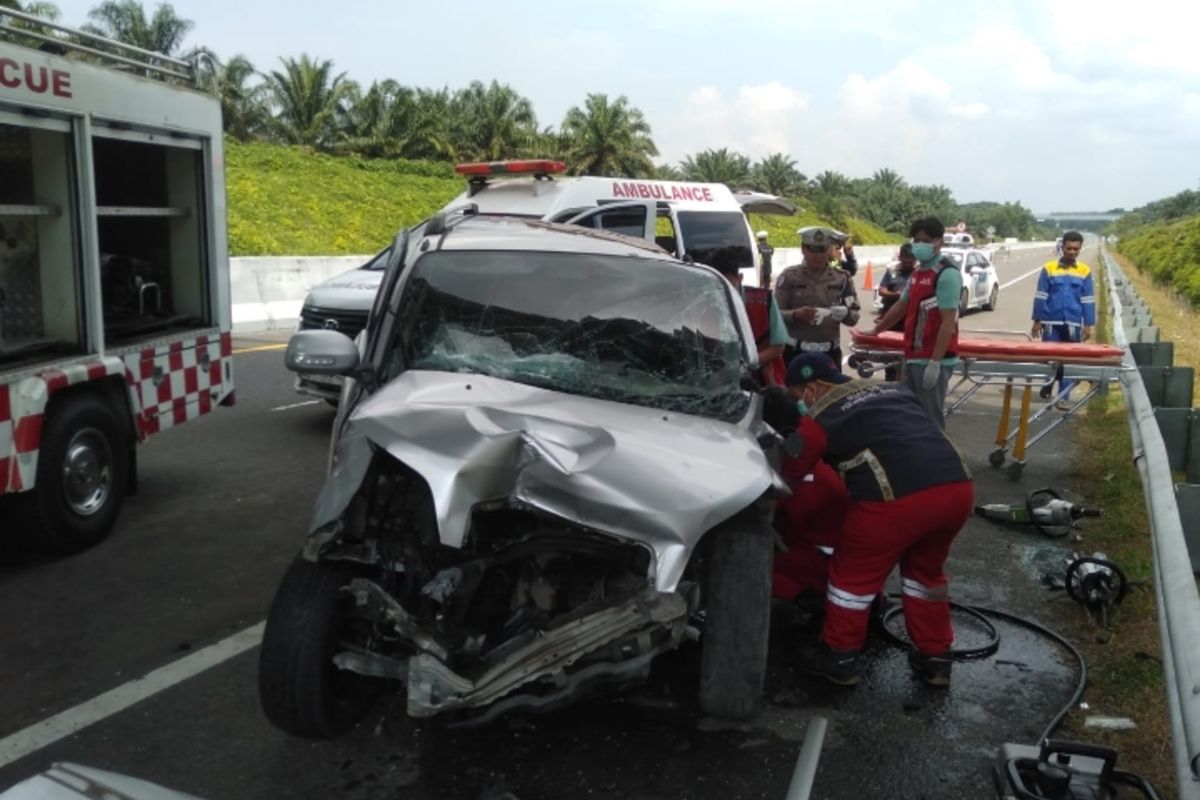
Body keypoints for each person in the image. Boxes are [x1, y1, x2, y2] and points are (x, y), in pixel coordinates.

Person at [784, 352, 974, 687]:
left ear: (811, 389)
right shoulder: (894, 391)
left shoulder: (821, 417)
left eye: (798, 396)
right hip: (956, 487)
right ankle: (936, 658)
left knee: (852, 578)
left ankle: (839, 657)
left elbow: (793, 470)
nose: (800, 403)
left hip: (896, 500)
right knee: (925, 575)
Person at [867, 217, 961, 427]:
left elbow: (948, 323)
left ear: (939, 242)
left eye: (925, 240)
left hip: (932, 358)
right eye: (916, 240)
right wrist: (876, 330)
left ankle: (938, 459)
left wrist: (935, 363)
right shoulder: (918, 273)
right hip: (913, 355)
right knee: (910, 415)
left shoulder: (946, 274)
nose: (919, 245)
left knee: (930, 420)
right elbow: (901, 306)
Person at [774, 227, 861, 371]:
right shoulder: (789, 276)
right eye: (812, 249)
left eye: (822, 249)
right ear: (803, 249)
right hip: (796, 353)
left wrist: (845, 313)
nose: (818, 255)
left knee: (832, 393)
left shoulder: (842, 278)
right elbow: (775, 315)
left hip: (829, 354)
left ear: (829, 250)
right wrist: (796, 314)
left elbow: (854, 317)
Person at [1032, 230, 1095, 410]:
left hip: (1074, 324)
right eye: (1069, 248)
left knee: (1069, 361)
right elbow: (1041, 295)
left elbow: (1088, 299)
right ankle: (1048, 383)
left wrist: (1088, 324)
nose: (1072, 252)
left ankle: (1063, 396)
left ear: (1080, 249)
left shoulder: (1084, 271)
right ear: (1062, 247)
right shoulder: (1049, 268)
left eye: (1076, 249)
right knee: (1050, 359)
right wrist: (1037, 320)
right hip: (1051, 323)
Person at [710, 247, 789, 386]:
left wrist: (746, 366)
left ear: (740, 278)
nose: (722, 288)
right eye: (716, 283)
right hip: (719, 380)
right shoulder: (705, 301)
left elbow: (778, 346)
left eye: (728, 282)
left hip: (763, 379)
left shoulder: (764, 300)